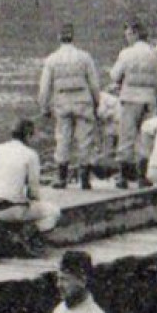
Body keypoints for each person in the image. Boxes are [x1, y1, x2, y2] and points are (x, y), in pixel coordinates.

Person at [38, 25, 102, 191]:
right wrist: (97, 102)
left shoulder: (52, 59)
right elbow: (94, 84)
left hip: (62, 101)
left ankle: (61, 177)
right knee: (85, 139)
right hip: (82, 101)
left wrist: (44, 107)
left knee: (62, 138)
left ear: (59, 37)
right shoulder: (85, 57)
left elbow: (44, 87)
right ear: (73, 37)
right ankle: (85, 179)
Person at [0, 119, 61, 256]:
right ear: (28, 136)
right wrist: (34, 202)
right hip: (11, 210)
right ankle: (28, 237)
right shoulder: (30, 154)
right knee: (53, 211)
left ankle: (20, 235)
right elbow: (33, 192)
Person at [109, 22, 157, 189]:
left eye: (128, 34)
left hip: (129, 99)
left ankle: (124, 177)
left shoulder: (126, 53)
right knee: (146, 137)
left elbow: (115, 75)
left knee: (126, 136)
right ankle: (143, 176)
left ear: (134, 34)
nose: (126, 37)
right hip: (149, 99)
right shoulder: (155, 53)